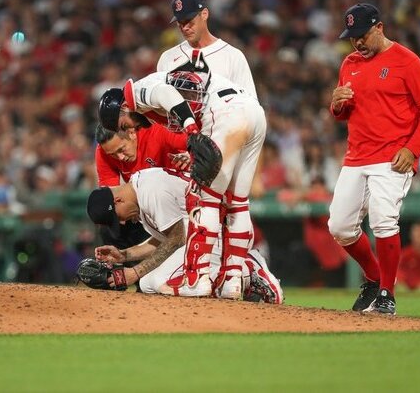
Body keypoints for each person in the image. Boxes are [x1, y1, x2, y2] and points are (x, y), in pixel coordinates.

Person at [97, 57, 266, 299]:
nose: (129, 129)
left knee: (201, 199)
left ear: (122, 108)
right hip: (252, 112)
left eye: (123, 124)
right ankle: (233, 280)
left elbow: (167, 93)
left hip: (224, 112)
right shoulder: (152, 116)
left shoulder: (133, 95)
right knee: (237, 202)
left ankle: (198, 279)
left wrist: (192, 132)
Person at [328, 3, 420, 315]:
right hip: (356, 155)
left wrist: (413, 149)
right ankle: (374, 275)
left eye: (362, 35)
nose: (357, 42)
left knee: (382, 219)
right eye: (352, 37)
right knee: (340, 226)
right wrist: (337, 106)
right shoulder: (349, 63)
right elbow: (345, 113)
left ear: (379, 27)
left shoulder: (407, 61)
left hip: (392, 158)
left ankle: (386, 295)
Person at [85, 167, 283, 303]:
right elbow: (166, 238)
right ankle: (233, 279)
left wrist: (134, 272)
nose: (120, 222)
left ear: (118, 200)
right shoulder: (140, 188)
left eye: (116, 217)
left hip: (221, 236)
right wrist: (125, 255)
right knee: (147, 284)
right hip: (206, 237)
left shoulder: (150, 190)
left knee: (156, 283)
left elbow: (176, 238)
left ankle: (248, 268)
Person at [95, 123, 189, 250]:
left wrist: (191, 156)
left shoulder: (155, 131)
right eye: (113, 154)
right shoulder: (103, 152)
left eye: (122, 149)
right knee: (109, 225)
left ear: (132, 133)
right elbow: (111, 195)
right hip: (144, 206)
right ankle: (124, 264)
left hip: (178, 198)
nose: (120, 158)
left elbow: (196, 144)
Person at [157, 0, 257, 98]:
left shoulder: (232, 56)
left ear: (204, 14)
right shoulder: (167, 58)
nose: (184, 27)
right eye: (180, 22)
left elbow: (250, 104)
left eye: (189, 21)